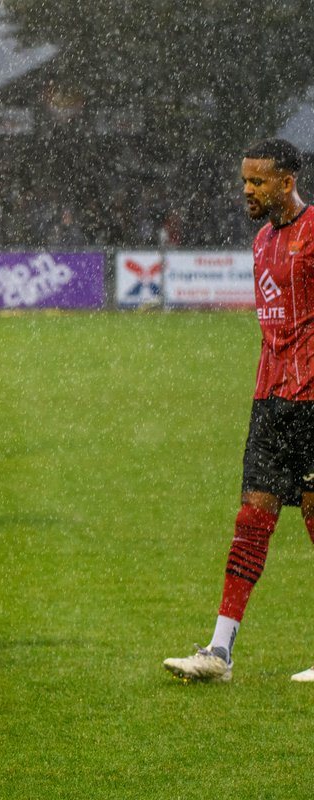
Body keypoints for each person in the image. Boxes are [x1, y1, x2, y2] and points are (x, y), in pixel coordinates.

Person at [163, 138, 314, 684]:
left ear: (287, 180)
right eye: (244, 180)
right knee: (252, 521)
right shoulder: (260, 241)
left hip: (313, 406)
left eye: (258, 181)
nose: (247, 190)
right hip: (270, 404)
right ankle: (219, 652)